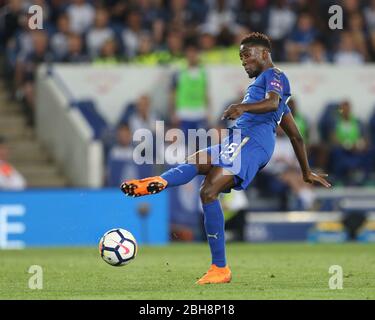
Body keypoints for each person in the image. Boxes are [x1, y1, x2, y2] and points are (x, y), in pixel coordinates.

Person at [120, 32, 331, 285]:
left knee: (209, 190)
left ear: (264, 54)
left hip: (252, 143)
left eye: (247, 55)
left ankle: (220, 268)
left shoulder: (275, 76)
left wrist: (242, 107)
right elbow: (296, 136)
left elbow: (272, 104)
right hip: (237, 139)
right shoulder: (264, 87)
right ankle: (159, 182)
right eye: (241, 57)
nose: (243, 61)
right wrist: (306, 171)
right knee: (197, 159)